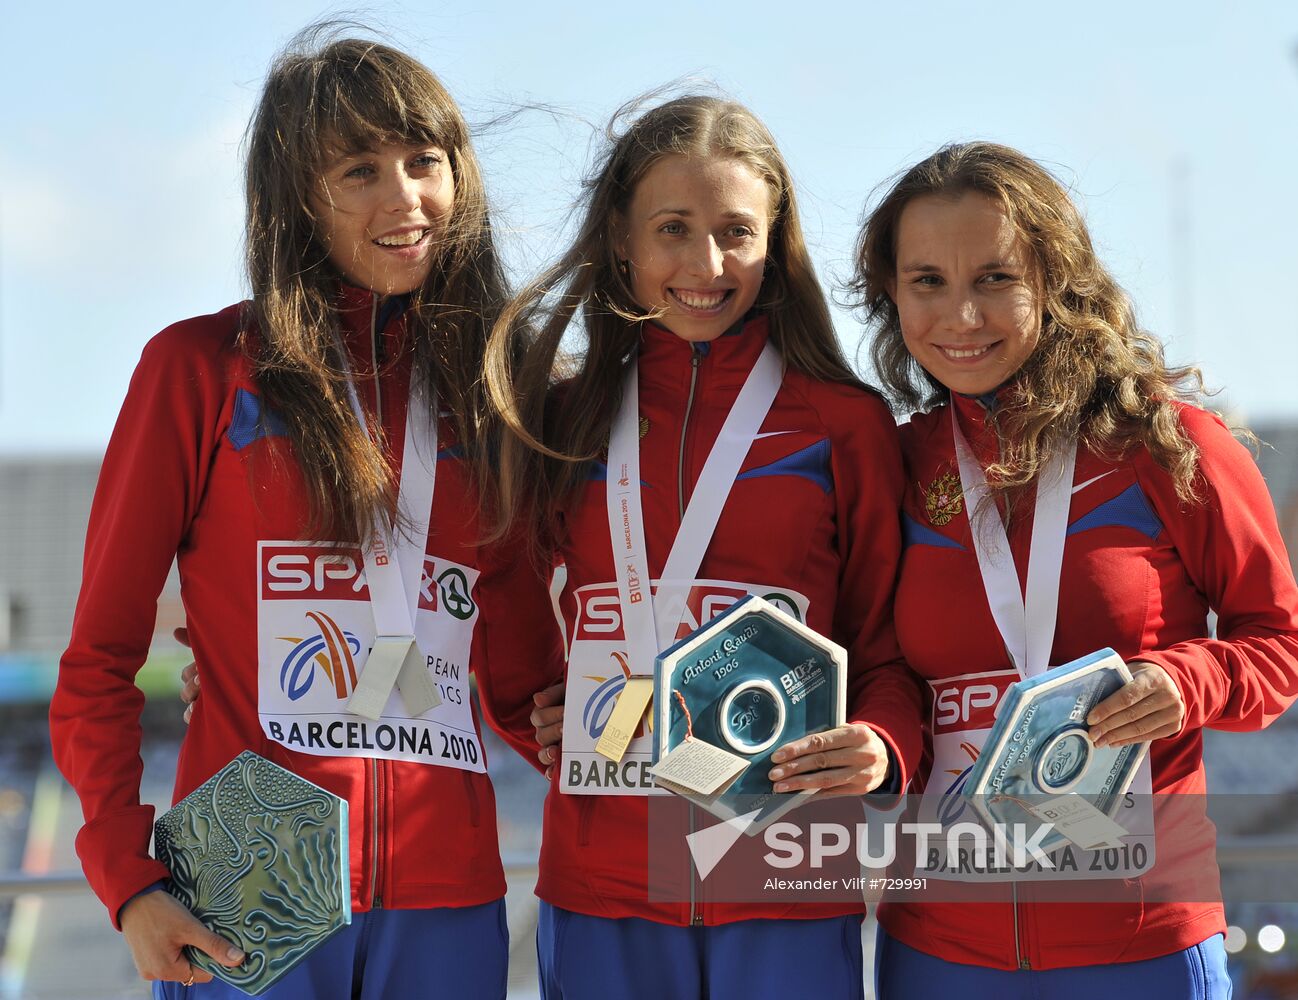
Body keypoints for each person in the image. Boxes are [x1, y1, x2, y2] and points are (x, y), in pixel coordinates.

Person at [49, 31, 556, 999]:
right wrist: (128, 878)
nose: (404, 199)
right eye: (359, 170)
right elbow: (98, 663)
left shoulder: (491, 395)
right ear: (294, 195)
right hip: (248, 871)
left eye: (423, 161)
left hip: (446, 888)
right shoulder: (198, 370)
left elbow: (524, 679)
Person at [484, 94, 924, 1000]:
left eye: (735, 231)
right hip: (603, 887)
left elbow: (888, 648)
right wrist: (550, 725)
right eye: (673, 229)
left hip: (787, 881)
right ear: (620, 237)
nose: (705, 264)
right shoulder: (558, 419)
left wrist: (880, 743)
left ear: (776, 240)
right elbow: (509, 629)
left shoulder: (844, 424)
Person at [851, 141, 1298, 999]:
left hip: (1142, 943)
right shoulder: (894, 467)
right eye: (927, 282)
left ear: (1056, 280)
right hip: (941, 947)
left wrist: (1189, 679)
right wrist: (879, 745)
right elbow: (884, 674)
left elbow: (1276, 643)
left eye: (995, 278)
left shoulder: (1169, 448)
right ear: (891, 295)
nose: (962, 315)